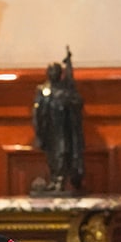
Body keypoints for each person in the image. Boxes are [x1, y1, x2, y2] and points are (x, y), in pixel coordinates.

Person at [31, 46, 85, 194]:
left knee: (62, 154)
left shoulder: (65, 90)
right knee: (51, 156)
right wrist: (38, 130)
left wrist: (70, 102)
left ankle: (61, 180)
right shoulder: (43, 90)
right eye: (50, 71)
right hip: (49, 128)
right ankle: (54, 179)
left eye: (56, 71)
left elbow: (77, 102)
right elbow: (37, 111)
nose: (53, 74)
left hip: (63, 129)